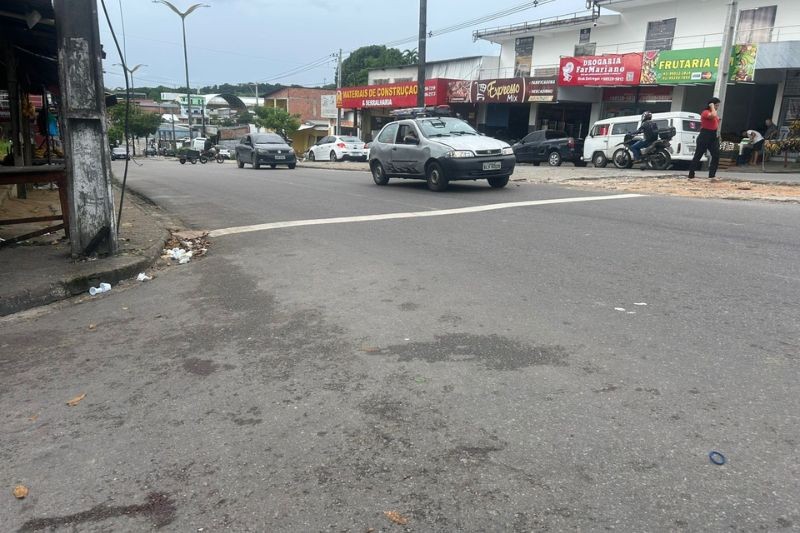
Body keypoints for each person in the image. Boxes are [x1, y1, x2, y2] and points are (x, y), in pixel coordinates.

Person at [688, 97, 721, 180]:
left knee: (716, 155)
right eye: (716, 105)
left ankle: (712, 175)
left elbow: (716, 124)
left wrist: (718, 135)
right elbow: (713, 115)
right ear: (711, 105)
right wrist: (712, 107)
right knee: (698, 155)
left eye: (717, 106)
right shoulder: (705, 112)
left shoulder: (714, 113)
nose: (717, 107)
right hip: (705, 135)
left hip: (713, 136)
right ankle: (691, 174)